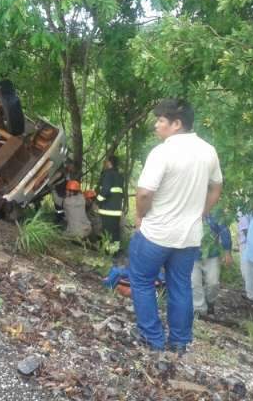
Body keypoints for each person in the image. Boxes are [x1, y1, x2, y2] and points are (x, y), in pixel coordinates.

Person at [129, 99, 222, 354]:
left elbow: (145, 193)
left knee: (141, 281)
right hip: (189, 237)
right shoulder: (208, 151)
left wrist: (140, 215)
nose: (156, 125)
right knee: (180, 286)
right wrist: (200, 213)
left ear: (177, 124)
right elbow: (216, 187)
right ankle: (180, 342)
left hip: (156, 233)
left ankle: (153, 339)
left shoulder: (163, 152)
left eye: (161, 120)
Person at [191, 213, 232, 316]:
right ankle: (199, 310)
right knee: (194, 283)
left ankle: (210, 303)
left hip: (212, 254)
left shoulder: (215, 213)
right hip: (191, 254)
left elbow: (224, 230)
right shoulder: (189, 209)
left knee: (213, 282)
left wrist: (227, 252)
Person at [96, 155, 124, 242]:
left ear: (109, 163)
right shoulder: (119, 176)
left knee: (107, 234)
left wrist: (97, 201)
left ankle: (107, 252)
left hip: (107, 210)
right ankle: (115, 251)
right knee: (115, 233)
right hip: (116, 210)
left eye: (105, 161)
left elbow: (105, 191)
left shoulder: (108, 174)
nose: (104, 163)